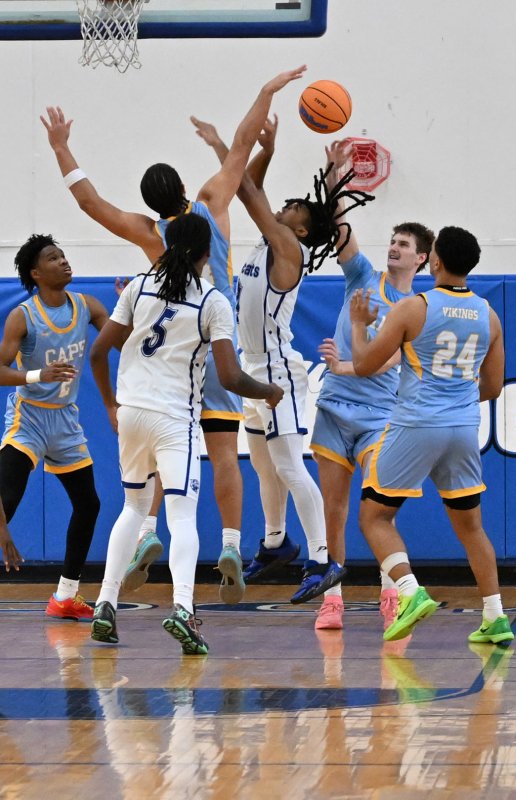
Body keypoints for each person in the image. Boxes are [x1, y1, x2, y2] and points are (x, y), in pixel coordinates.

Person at [41, 64, 305, 603]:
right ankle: (231, 542)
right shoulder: (211, 205)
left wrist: (62, 148)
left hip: (171, 356)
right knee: (223, 452)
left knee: (163, 453)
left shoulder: (146, 232)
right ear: (184, 189)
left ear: (150, 202)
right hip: (217, 336)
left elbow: (90, 203)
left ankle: (146, 533)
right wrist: (265, 90)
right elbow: (241, 148)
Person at [196, 115, 373, 603]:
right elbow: (252, 187)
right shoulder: (269, 240)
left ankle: (324, 559)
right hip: (249, 367)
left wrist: (226, 146)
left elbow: (247, 192)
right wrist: (261, 150)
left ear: (302, 226)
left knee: (292, 466)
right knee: (262, 464)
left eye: (295, 206)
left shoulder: (287, 245)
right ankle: (277, 541)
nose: (288, 204)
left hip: (277, 370)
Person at [89, 212, 283, 654]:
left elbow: (100, 351)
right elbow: (231, 378)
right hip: (175, 418)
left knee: (133, 509)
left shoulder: (138, 286)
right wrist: (268, 390)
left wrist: (109, 404)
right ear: (204, 253)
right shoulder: (212, 301)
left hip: (133, 412)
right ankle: (182, 610)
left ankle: (105, 602)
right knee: (180, 517)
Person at [350, 225, 514, 645]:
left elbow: (366, 365)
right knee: (471, 527)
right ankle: (495, 615)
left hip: (417, 424)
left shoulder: (413, 307)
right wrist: (455, 399)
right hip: (462, 428)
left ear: (435, 261)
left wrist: (357, 324)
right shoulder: (488, 314)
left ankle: (409, 591)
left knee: (375, 515)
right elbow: (493, 387)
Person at [310, 141, 435, 631]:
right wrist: (332, 175)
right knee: (333, 511)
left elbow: (384, 365)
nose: (394, 247)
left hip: (381, 415)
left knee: (378, 510)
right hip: (334, 409)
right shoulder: (362, 275)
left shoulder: (418, 309)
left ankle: (391, 592)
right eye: (393, 241)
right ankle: (333, 597)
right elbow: (340, 227)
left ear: (421, 258)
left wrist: (344, 366)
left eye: (404, 245)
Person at [0, 234, 108, 617]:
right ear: (35, 272)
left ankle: (65, 595)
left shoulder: (87, 305)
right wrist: (36, 374)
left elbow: (119, 338)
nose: (63, 261)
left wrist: (130, 307)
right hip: (28, 417)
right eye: (52, 257)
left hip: (64, 419)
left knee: (89, 503)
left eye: (63, 255)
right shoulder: (23, 315)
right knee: (7, 499)